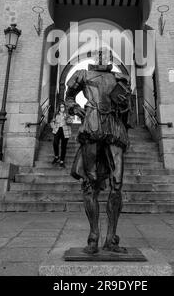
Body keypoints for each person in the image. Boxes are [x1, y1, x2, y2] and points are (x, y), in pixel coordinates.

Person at [65, 49, 133, 255]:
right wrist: (76, 109)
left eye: (106, 56)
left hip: (114, 127)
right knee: (90, 183)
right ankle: (93, 236)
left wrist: (123, 105)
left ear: (111, 59)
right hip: (92, 125)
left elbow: (125, 107)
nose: (103, 59)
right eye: (99, 56)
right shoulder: (83, 75)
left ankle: (111, 238)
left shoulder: (119, 78)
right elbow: (68, 97)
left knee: (117, 183)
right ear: (94, 58)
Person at [51, 103, 73, 168]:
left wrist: (67, 118)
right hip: (57, 130)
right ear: (59, 107)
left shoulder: (68, 114)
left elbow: (71, 122)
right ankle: (56, 156)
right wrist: (54, 127)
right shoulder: (56, 114)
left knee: (63, 147)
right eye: (61, 107)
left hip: (65, 131)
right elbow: (52, 121)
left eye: (63, 107)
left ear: (65, 107)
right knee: (55, 143)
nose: (62, 108)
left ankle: (62, 161)